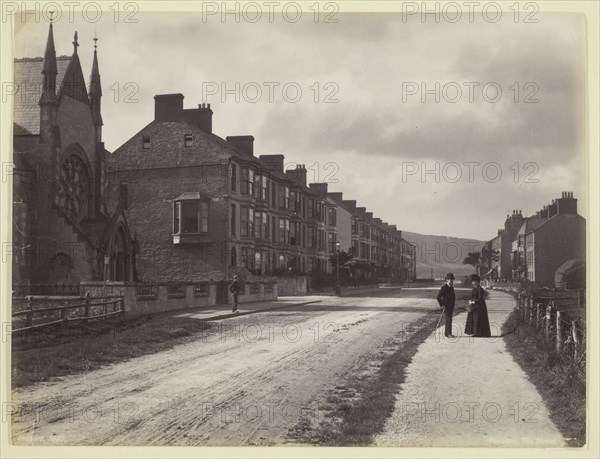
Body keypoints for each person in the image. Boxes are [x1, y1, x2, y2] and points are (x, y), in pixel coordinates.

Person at [436, 273, 456, 337]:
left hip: (451, 306)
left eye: (452, 280)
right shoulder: (444, 287)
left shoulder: (452, 288)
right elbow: (438, 297)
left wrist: (453, 304)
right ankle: (448, 334)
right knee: (449, 319)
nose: (452, 281)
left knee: (449, 319)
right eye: (450, 280)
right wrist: (442, 305)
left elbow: (453, 297)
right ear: (447, 280)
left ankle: (447, 333)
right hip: (446, 307)